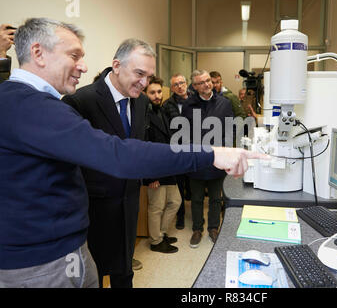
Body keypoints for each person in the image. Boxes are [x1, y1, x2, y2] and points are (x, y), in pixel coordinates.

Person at [0, 17, 266, 288]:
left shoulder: (28, 101)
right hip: (41, 262)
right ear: (38, 53)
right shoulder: (34, 107)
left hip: (69, 247)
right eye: (74, 55)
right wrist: (211, 154)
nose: (83, 65)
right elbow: (119, 154)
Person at [61, 38, 157, 287]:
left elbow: (138, 148)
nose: (144, 83)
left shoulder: (143, 102)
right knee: (92, 276)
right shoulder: (81, 102)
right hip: (92, 211)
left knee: (124, 273)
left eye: (149, 76)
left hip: (129, 206)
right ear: (116, 65)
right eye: (139, 73)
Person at [181, 70, 234, 248]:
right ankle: (197, 229)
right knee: (196, 198)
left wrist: (226, 153)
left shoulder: (224, 103)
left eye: (208, 81)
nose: (207, 84)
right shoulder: (188, 105)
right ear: (195, 87)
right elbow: (185, 133)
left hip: (217, 158)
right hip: (196, 159)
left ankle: (213, 228)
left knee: (215, 198)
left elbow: (230, 130)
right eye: (202, 83)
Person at [143, 76, 181, 254]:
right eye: (152, 92)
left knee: (175, 201)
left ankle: (161, 233)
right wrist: (150, 176)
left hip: (168, 166)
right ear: (144, 94)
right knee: (156, 207)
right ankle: (156, 241)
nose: (157, 95)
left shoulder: (163, 111)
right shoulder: (143, 115)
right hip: (154, 170)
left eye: (159, 91)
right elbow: (143, 148)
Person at [162, 73, 191, 230]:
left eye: (182, 83)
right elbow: (167, 130)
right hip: (177, 150)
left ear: (186, 84)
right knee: (179, 185)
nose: (180, 86)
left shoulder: (196, 101)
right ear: (172, 88)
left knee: (193, 183)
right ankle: (180, 216)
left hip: (194, 148)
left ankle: (196, 215)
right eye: (176, 85)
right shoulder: (167, 105)